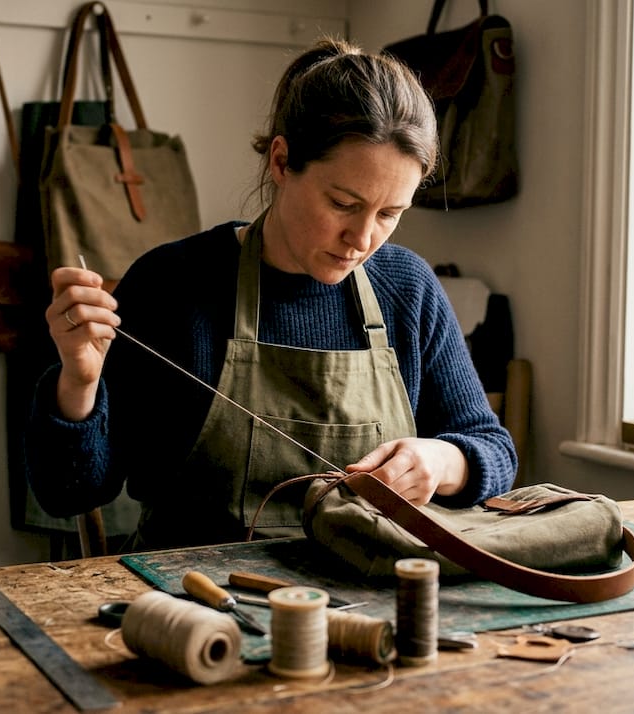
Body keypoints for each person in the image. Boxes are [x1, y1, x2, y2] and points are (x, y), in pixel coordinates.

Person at [25, 38, 517, 551]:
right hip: (198, 603)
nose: (364, 238)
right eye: (344, 203)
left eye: (390, 214)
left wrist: (441, 462)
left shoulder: (408, 289)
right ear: (281, 162)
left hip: (363, 597)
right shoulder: (174, 283)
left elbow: (494, 451)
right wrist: (78, 384)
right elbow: (68, 494)